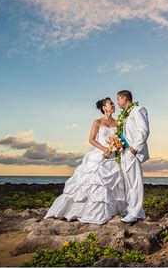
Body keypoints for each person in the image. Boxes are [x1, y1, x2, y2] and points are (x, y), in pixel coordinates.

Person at [43, 97, 128, 224]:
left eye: (114, 104)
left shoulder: (118, 123)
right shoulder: (97, 122)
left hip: (112, 157)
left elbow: (121, 139)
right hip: (100, 155)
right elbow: (92, 139)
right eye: (111, 104)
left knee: (113, 185)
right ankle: (79, 211)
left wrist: (118, 147)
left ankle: (110, 211)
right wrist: (104, 148)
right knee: (93, 182)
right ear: (104, 107)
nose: (113, 105)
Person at [116, 90, 150, 223]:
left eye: (118, 99)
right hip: (124, 152)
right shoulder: (125, 114)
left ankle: (134, 213)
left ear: (124, 98)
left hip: (132, 152)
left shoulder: (138, 109)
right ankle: (135, 211)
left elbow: (144, 130)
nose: (117, 102)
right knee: (128, 183)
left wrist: (135, 149)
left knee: (135, 182)